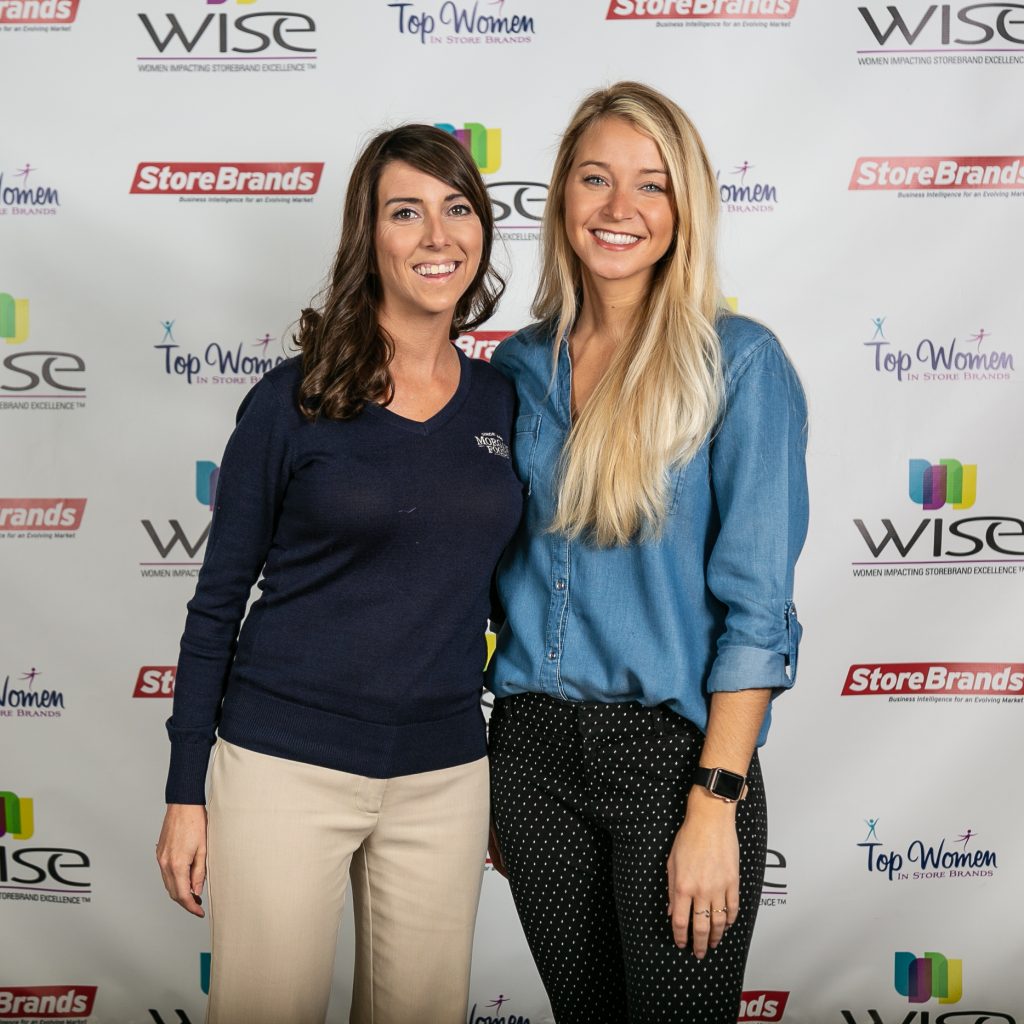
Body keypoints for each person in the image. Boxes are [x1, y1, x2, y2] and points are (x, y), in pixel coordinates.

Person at [155, 124, 523, 1024]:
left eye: (457, 208)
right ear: (370, 235)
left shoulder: (505, 402)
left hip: (443, 775)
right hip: (285, 764)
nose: (437, 236)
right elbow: (216, 605)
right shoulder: (293, 399)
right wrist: (185, 791)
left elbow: (511, 602)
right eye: (406, 212)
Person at [486, 82, 808, 1023]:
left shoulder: (738, 365)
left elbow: (759, 613)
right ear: (561, 195)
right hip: (531, 757)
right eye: (596, 178)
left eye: (651, 184)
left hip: (674, 766)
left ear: (684, 208)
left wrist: (715, 801)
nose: (619, 207)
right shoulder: (517, 367)